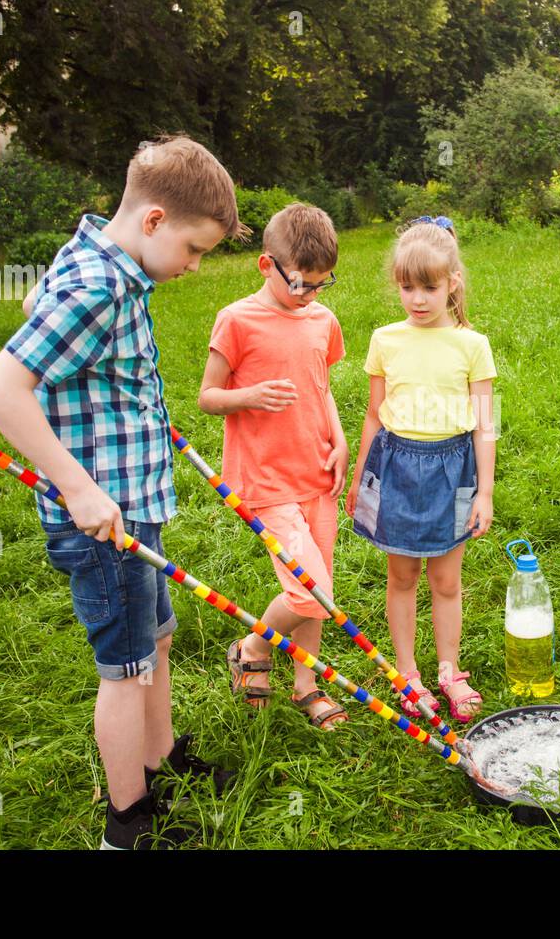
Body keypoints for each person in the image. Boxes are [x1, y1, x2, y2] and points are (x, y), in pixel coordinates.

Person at [0, 135, 244, 848]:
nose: (193, 266)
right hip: (102, 521)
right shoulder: (98, 286)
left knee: (155, 642)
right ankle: (127, 824)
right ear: (154, 221)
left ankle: (162, 764)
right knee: (125, 669)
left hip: (136, 508)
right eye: (194, 249)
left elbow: (39, 297)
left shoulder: (98, 259)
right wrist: (80, 488)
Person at [198, 203, 349, 732]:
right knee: (310, 591)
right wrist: (249, 395)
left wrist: (341, 439)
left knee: (318, 585)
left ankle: (306, 684)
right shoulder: (237, 320)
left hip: (317, 474)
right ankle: (253, 644)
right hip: (266, 478)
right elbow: (207, 397)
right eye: (300, 283)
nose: (309, 294)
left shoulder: (322, 320)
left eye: (320, 284)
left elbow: (320, 386)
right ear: (266, 265)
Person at [345, 218, 496, 724]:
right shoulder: (386, 339)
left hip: (454, 470)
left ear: (452, 282)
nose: (418, 299)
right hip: (397, 467)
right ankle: (408, 671)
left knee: (447, 580)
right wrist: (361, 479)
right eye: (407, 287)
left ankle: (449, 670)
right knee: (403, 574)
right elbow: (373, 414)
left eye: (429, 287)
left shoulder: (472, 345)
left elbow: (485, 426)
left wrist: (486, 493)